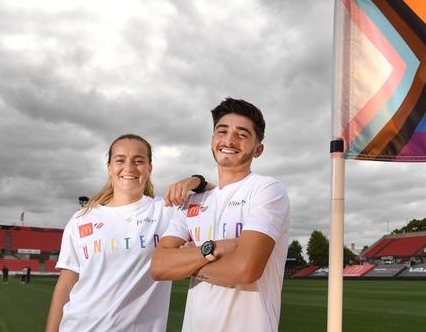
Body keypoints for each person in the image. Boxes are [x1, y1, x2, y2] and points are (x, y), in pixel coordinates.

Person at [152, 98, 291, 332]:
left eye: (242, 134)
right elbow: (158, 267)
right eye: (222, 131)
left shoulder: (267, 189)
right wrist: (215, 248)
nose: (229, 140)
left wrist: (187, 263)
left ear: (258, 150)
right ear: (213, 140)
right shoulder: (193, 200)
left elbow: (244, 269)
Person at [46, 134, 208, 332]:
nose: (129, 167)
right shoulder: (81, 219)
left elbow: (223, 198)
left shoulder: (166, 211)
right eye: (120, 160)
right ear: (109, 167)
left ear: (150, 168)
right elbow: (65, 286)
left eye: (138, 161)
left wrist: (196, 181)